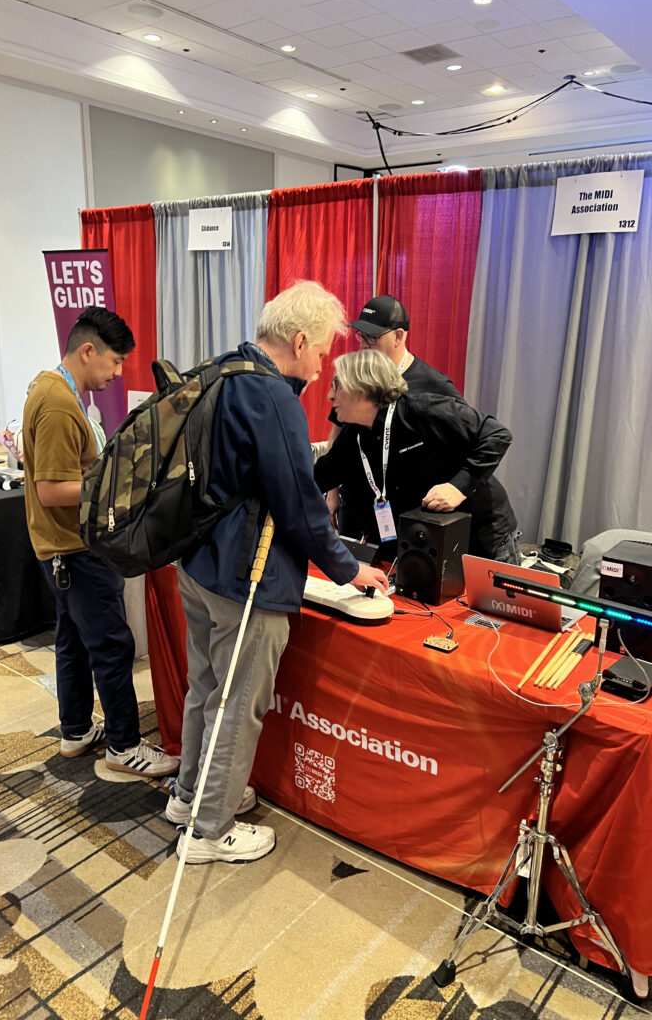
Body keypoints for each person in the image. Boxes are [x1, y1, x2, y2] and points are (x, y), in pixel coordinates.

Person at [162, 280, 388, 865]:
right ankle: (209, 831)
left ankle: (189, 798)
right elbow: (299, 504)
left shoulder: (222, 369)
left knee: (207, 689)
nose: (322, 366)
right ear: (300, 339)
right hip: (248, 578)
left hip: (199, 565)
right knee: (238, 703)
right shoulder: (274, 397)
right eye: (321, 352)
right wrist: (348, 570)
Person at [22, 307, 178, 777]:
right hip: (74, 548)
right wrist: (115, 486)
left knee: (73, 641)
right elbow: (52, 491)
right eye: (113, 362)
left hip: (64, 548)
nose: (116, 373)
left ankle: (76, 731)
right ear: (86, 351)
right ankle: (125, 746)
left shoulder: (53, 389)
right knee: (112, 644)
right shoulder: (56, 403)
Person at [315, 349, 519, 563]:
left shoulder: (423, 410)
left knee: (486, 598)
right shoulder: (353, 436)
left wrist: (458, 487)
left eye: (336, 386)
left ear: (361, 388)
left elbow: (497, 434)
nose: (330, 395)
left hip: (480, 534)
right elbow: (317, 478)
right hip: (423, 543)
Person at [324, 294, 460, 534]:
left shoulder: (433, 385)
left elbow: (467, 441)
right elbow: (337, 431)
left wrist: (456, 488)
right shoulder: (357, 375)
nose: (364, 343)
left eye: (372, 337)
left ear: (398, 336)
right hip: (355, 501)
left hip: (404, 508)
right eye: (361, 335)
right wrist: (331, 492)